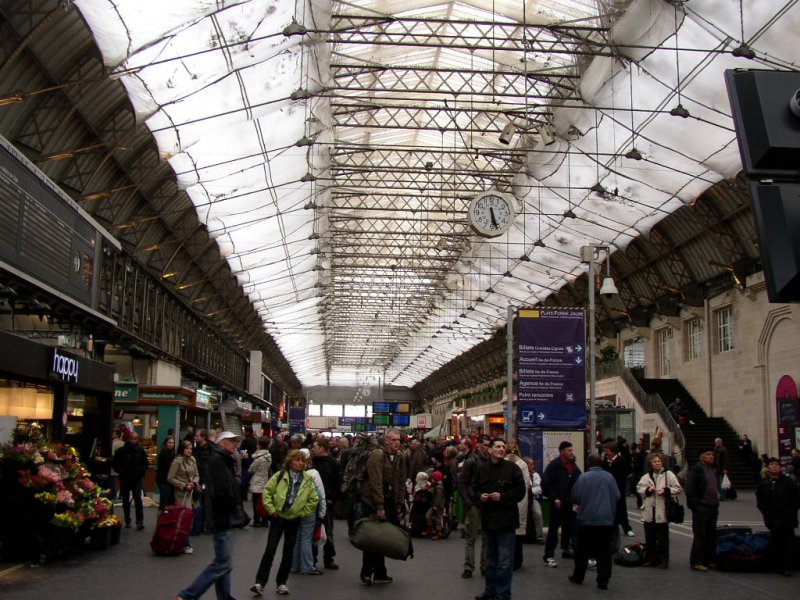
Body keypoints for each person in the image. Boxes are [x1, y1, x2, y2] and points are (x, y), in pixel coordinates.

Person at [175, 431, 247, 600]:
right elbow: (221, 491)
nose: (235, 444)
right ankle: (188, 595)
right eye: (231, 441)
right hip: (222, 517)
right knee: (222, 563)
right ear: (222, 443)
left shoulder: (221, 460)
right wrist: (232, 505)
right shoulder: (219, 461)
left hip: (222, 516)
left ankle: (224, 596)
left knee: (224, 562)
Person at [250, 449, 319, 596]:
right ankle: (260, 582)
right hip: (277, 518)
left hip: (294, 519)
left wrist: (301, 512)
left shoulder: (307, 479)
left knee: (288, 553)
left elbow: (313, 499)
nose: (301, 463)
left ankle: (281, 582)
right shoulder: (280, 475)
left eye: (303, 461)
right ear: (290, 462)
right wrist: (271, 509)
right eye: (297, 460)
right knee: (270, 550)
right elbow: (267, 491)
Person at [473, 438, 526, 600]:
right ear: (490, 450)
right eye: (497, 446)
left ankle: (503, 594)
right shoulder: (482, 469)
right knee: (490, 560)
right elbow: (475, 488)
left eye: (503, 447)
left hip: (506, 520)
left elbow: (520, 492)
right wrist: (479, 496)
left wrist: (502, 496)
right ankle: (490, 590)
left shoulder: (513, 469)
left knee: (504, 561)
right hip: (489, 519)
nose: (501, 449)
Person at [357, 428, 407, 586]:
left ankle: (380, 572)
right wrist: (379, 506)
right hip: (371, 501)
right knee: (373, 537)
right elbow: (375, 482)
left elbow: (400, 481)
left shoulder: (400, 457)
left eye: (398, 440)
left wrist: (399, 503)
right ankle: (366, 572)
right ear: (386, 441)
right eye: (393, 440)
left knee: (382, 537)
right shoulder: (377, 455)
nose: (396, 442)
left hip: (388, 500)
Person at [566, 454, 619, 590]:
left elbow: (575, 496)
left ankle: (578, 576)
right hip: (606, 520)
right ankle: (603, 580)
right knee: (604, 551)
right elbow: (617, 496)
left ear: (589, 463)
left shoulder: (583, 477)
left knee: (582, 550)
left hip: (586, 519)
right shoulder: (609, 477)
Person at [636, 453, 682, 568]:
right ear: (650, 464)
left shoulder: (669, 475)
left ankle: (664, 559)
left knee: (663, 538)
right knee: (649, 537)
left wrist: (666, 490)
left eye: (659, 461)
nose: (657, 463)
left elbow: (677, 488)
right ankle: (651, 558)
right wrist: (648, 490)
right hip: (649, 510)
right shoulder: (646, 476)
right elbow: (639, 488)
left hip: (662, 510)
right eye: (654, 461)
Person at [755, 457, 800, 577]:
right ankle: (778, 565)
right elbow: (760, 500)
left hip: (787, 518)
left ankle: (787, 566)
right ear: (768, 467)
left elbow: (796, 498)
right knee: (776, 541)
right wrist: (766, 512)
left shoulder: (788, 482)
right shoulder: (764, 483)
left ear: (780, 467)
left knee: (787, 542)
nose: (774, 466)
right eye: (772, 464)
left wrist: (792, 511)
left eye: (776, 464)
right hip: (772, 517)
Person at [542, 440, 582, 568]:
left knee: (575, 530)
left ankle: (580, 556)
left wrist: (578, 500)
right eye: (569, 450)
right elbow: (545, 484)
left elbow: (579, 483)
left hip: (571, 504)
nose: (571, 452)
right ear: (562, 452)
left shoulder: (574, 466)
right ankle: (548, 556)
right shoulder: (554, 466)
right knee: (553, 531)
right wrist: (554, 498)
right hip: (558, 504)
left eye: (571, 450)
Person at [457, 433, 490, 579]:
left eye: (490, 445)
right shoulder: (471, 461)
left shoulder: (492, 461)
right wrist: (467, 502)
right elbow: (462, 482)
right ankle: (468, 566)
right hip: (474, 502)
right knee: (471, 537)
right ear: (479, 445)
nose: (488, 448)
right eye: (486, 445)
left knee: (487, 537)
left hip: (488, 503)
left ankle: (485, 566)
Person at [291, 448, 326, 576]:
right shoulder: (313, 474)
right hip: (309, 509)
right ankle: (307, 566)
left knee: (297, 538)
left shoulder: (291, 473)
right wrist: (322, 512)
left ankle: (294, 565)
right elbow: (320, 495)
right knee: (306, 538)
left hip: (295, 509)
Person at [684, 449, 720, 571]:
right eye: (708, 455)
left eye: (712, 455)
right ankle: (696, 560)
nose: (711, 457)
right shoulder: (697, 469)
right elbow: (689, 488)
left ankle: (707, 559)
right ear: (701, 457)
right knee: (700, 535)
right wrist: (696, 505)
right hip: (701, 506)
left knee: (711, 534)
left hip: (712, 506)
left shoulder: (712, 469)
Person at [311, 437, 342, 569]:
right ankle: (312, 558)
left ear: (322, 448)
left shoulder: (333, 463)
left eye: (315, 446)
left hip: (327, 501)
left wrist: (332, 498)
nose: (313, 448)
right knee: (313, 530)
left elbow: (338, 482)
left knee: (327, 530)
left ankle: (328, 557)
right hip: (313, 501)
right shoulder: (311, 462)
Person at [112, 431, 149, 530]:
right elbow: (115, 463)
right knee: (125, 500)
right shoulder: (121, 451)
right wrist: (122, 472)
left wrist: (141, 472)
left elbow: (145, 463)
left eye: (135, 439)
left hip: (137, 479)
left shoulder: (141, 451)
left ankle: (139, 521)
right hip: (125, 479)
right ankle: (127, 520)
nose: (133, 441)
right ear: (128, 439)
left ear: (138, 440)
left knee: (138, 499)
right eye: (132, 438)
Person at [168, 440, 201, 554]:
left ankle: (182, 542)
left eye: (191, 449)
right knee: (184, 518)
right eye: (187, 448)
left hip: (192, 492)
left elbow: (197, 474)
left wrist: (194, 483)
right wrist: (182, 485)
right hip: (181, 494)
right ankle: (185, 544)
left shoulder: (193, 460)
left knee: (190, 518)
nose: (189, 450)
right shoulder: (177, 462)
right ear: (182, 449)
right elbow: (170, 478)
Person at [504, 442, 530, 570]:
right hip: (520, 501)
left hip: (505, 501)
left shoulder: (502, 462)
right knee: (518, 531)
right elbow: (526, 485)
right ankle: (517, 560)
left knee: (505, 533)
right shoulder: (522, 464)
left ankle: (506, 559)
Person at [602, 439, 634, 538]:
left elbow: (624, 475)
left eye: (607, 450)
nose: (605, 453)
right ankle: (609, 527)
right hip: (607, 490)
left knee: (621, 509)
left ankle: (627, 528)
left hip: (618, 489)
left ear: (613, 451)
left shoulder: (621, 461)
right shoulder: (605, 462)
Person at [248, 437, 272, 527]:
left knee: (255, 503)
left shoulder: (259, 458)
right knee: (263, 502)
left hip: (257, 481)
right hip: (265, 480)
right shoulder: (269, 456)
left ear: (260, 445)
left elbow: (252, 469)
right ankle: (265, 520)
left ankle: (256, 520)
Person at [522, 456, 544, 543]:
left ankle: (539, 536)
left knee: (537, 513)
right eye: (531, 464)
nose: (533, 466)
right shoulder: (520, 474)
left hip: (532, 498)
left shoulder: (535, 475)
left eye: (533, 464)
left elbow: (539, 489)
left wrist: (529, 492)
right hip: (521, 499)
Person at [157, 436, 177, 510]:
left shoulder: (173, 453)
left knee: (169, 500)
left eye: (172, 443)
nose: (171, 444)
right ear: (166, 443)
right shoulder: (163, 453)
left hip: (169, 480)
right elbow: (167, 466)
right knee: (164, 500)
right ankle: (163, 515)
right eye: (169, 443)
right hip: (163, 479)